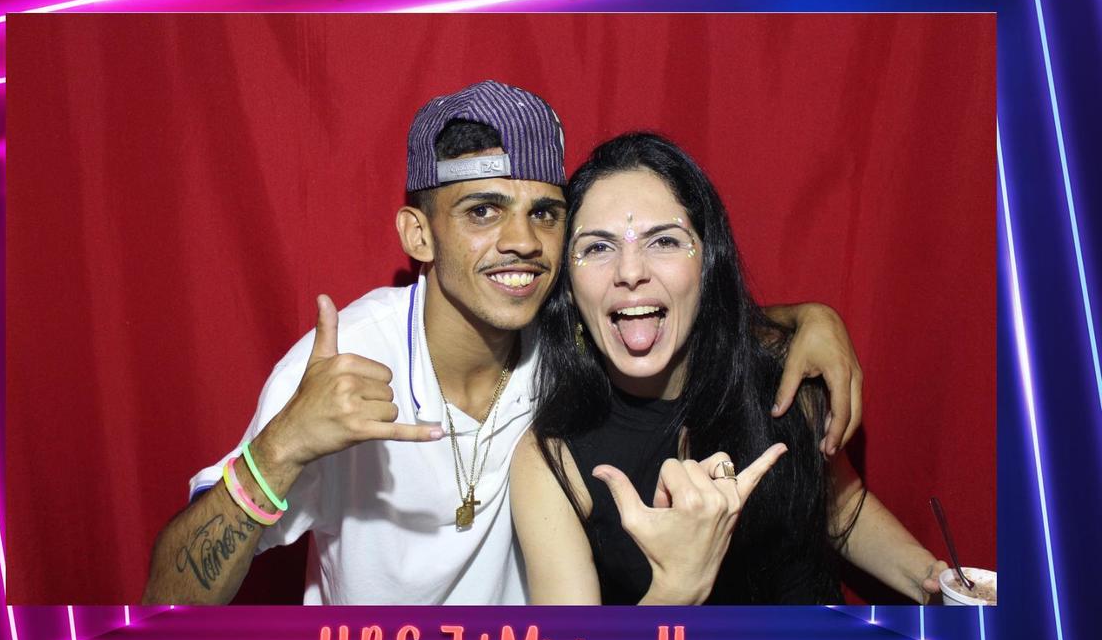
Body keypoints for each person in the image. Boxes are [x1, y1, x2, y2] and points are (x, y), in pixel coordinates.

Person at [141, 82, 864, 605]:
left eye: (544, 213)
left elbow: (677, 308)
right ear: (419, 235)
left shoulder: (566, 331)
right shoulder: (341, 362)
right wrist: (281, 450)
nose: (522, 241)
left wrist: (811, 319)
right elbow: (169, 601)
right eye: (483, 211)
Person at [511, 132, 946, 605]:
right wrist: (679, 585)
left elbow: (840, 506)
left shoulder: (785, 376)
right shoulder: (549, 460)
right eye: (598, 247)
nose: (630, 272)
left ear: (708, 263)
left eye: (665, 241)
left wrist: (934, 581)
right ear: (568, 285)